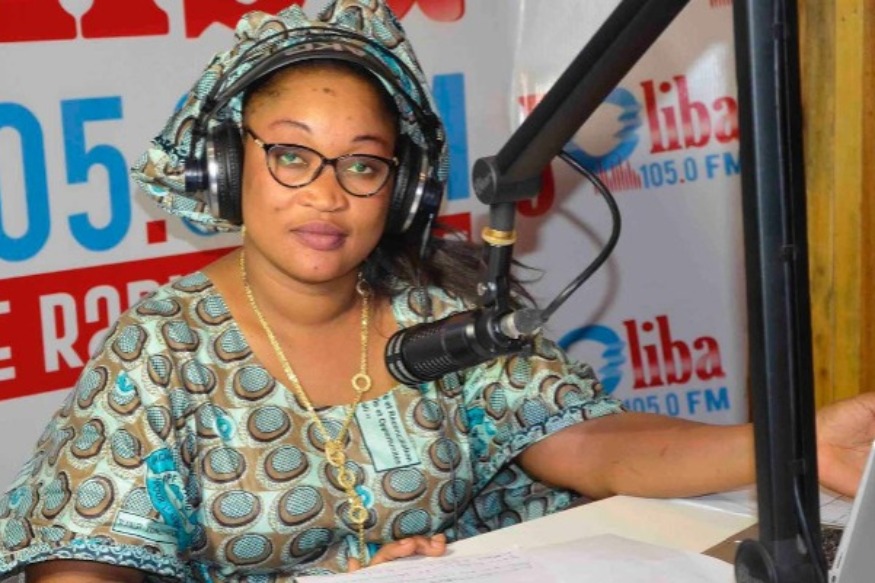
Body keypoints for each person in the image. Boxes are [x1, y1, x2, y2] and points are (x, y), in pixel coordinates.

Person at [2, 0, 875, 581]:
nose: (327, 193)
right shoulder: (163, 345)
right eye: (292, 155)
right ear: (231, 167)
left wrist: (792, 446)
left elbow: (588, 441)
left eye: (362, 164)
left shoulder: (438, 314)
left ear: (402, 189)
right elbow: (77, 563)